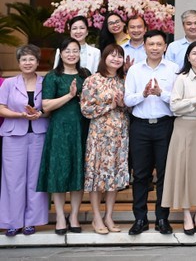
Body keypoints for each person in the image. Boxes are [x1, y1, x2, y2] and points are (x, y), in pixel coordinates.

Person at [124, 29, 179, 235]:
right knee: (140, 175)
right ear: (145, 46)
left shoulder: (174, 69)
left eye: (159, 44)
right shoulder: (135, 70)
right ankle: (140, 219)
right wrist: (144, 94)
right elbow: (127, 99)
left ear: (165, 47)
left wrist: (160, 93)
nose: (155, 48)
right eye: (151, 44)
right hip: (140, 126)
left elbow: (176, 101)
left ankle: (162, 218)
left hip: (165, 125)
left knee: (164, 174)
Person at [162, 41, 196, 235]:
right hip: (184, 127)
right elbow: (174, 106)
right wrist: (195, 100)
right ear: (188, 57)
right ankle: (186, 215)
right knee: (184, 171)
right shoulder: (182, 79)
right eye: (195, 53)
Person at [38, 38, 89, 235]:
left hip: (82, 128)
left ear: (79, 53)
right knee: (58, 173)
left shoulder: (86, 74)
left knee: (78, 172)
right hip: (59, 129)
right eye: (67, 50)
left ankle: (74, 215)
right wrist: (69, 95)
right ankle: (60, 216)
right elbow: (46, 106)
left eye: (75, 50)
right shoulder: (53, 76)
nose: (71, 54)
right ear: (61, 53)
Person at [80, 44, 129, 234]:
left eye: (119, 56)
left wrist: (123, 105)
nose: (116, 59)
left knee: (114, 177)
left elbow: (130, 107)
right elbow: (85, 109)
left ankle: (109, 215)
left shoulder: (124, 80)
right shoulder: (93, 80)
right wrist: (110, 103)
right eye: (112, 56)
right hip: (99, 135)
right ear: (104, 57)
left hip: (120, 135)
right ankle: (96, 217)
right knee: (98, 177)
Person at [0, 45, 49, 237]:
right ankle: (12, 222)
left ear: (37, 62)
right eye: (24, 60)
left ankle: (32, 221)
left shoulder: (45, 82)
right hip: (13, 135)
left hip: (39, 134)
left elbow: (49, 108)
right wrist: (19, 115)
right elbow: (0, 107)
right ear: (18, 63)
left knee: (35, 178)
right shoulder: (9, 83)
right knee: (13, 180)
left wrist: (40, 114)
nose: (27, 63)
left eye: (31, 59)